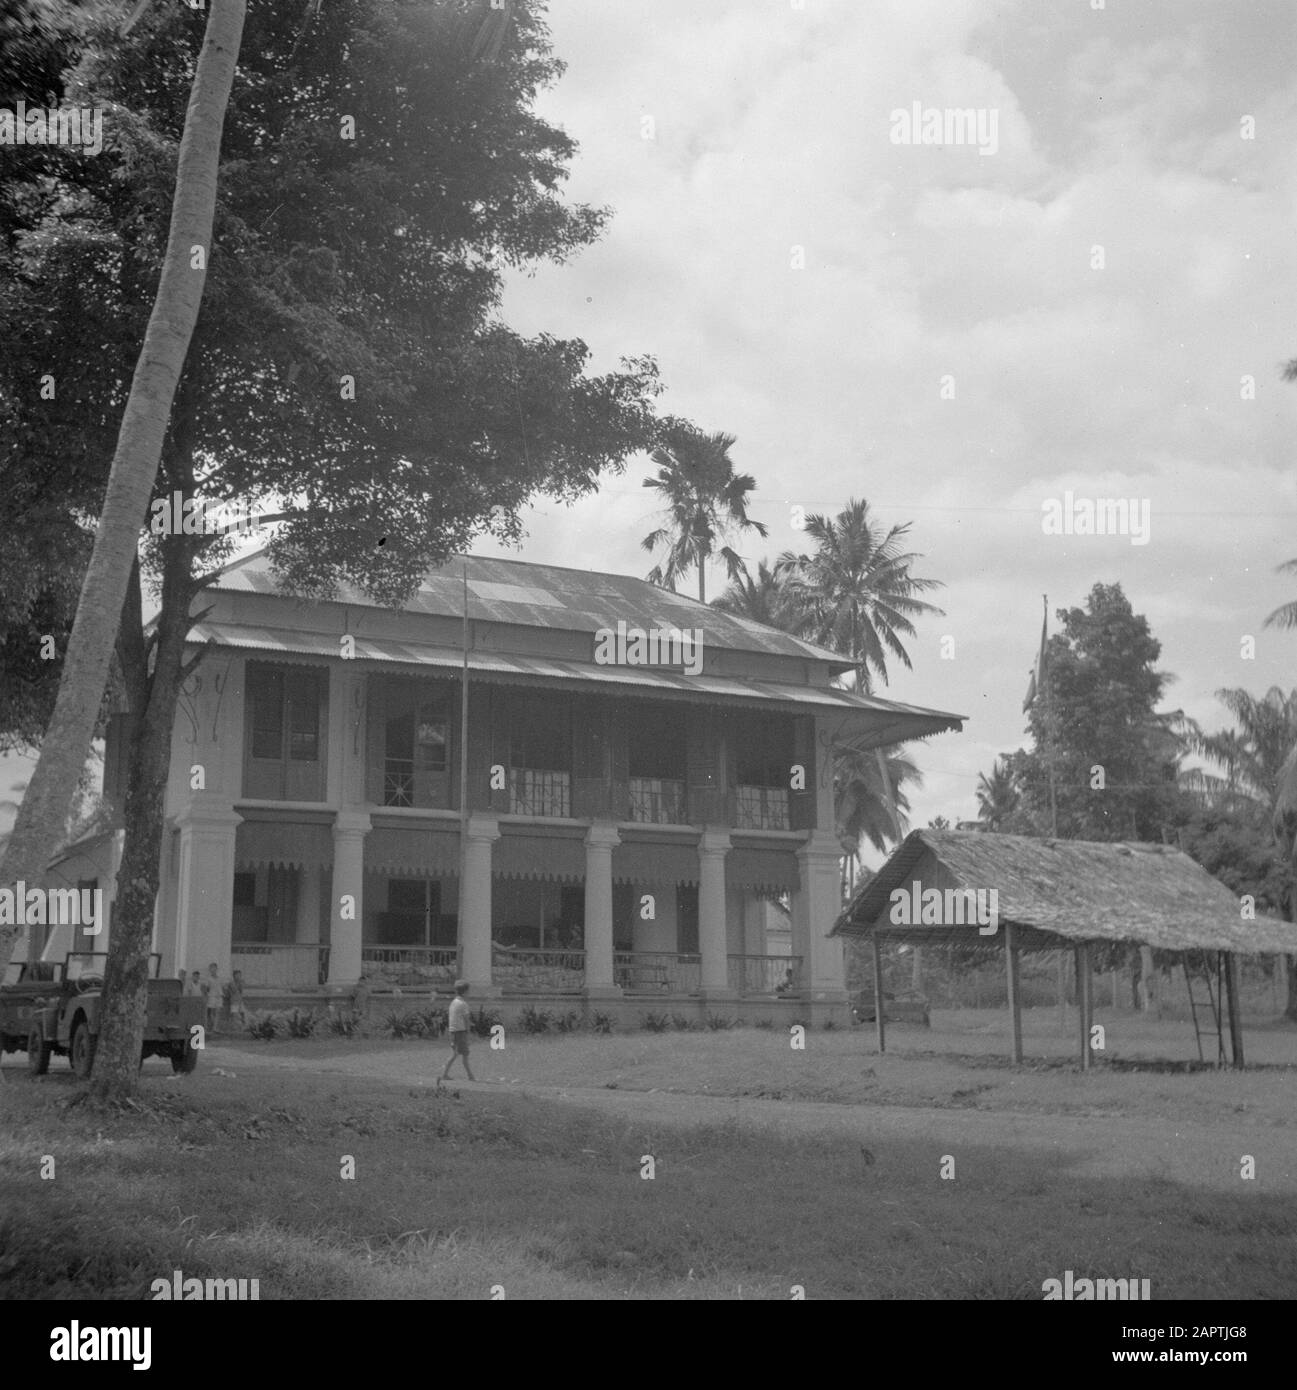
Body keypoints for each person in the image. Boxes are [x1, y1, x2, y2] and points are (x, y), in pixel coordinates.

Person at [440, 979, 475, 1082]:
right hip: (460, 1032)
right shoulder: (463, 1004)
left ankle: (444, 1074)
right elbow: (466, 1019)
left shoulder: (454, 1002)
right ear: (465, 992)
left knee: (454, 1054)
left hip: (454, 1031)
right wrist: (468, 1031)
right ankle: (470, 1076)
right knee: (465, 1054)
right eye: (468, 991)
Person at [203, 962, 222, 1034]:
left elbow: (221, 987)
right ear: (210, 970)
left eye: (214, 968)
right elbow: (206, 988)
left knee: (218, 1012)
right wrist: (206, 996)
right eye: (211, 968)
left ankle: (215, 1027)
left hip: (219, 996)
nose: (213, 970)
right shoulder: (208, 979)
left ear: (217, 969)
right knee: (211, 1013)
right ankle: (212, 1026)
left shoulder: (219, 978)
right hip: (212, 996)